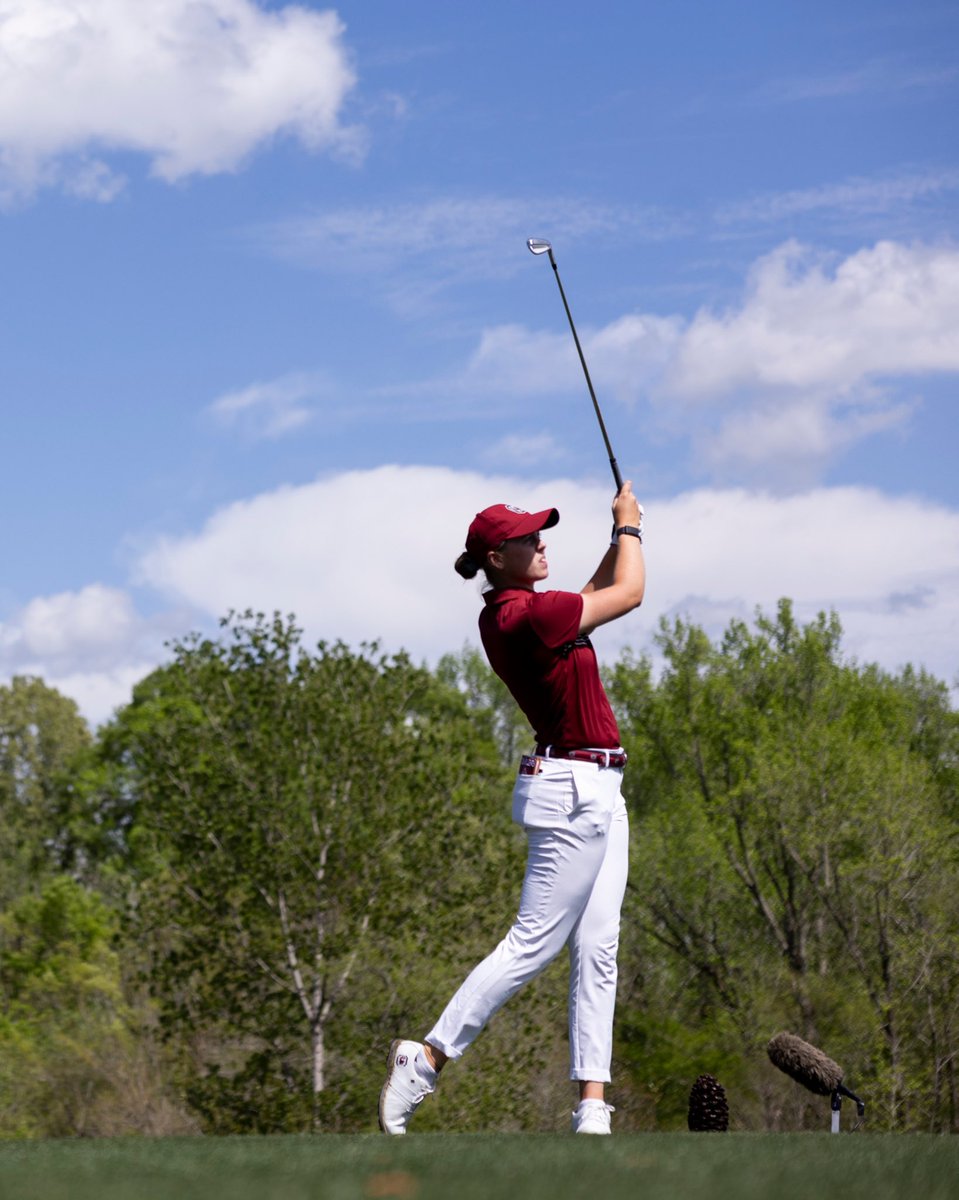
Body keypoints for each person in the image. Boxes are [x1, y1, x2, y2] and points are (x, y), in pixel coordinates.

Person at [379, 483, 645, 1136]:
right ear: (497, 558)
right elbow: (629, 593)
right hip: (572, 790)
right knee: (532, 943)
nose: (540, 542)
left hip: (599, 791)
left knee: (598, 947)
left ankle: (591, 1106)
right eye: (528, 538)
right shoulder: (521, 615)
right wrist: (632, 531)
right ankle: (428, 1056)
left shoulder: (529, 609)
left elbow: (587, 594)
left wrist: (617, 537)